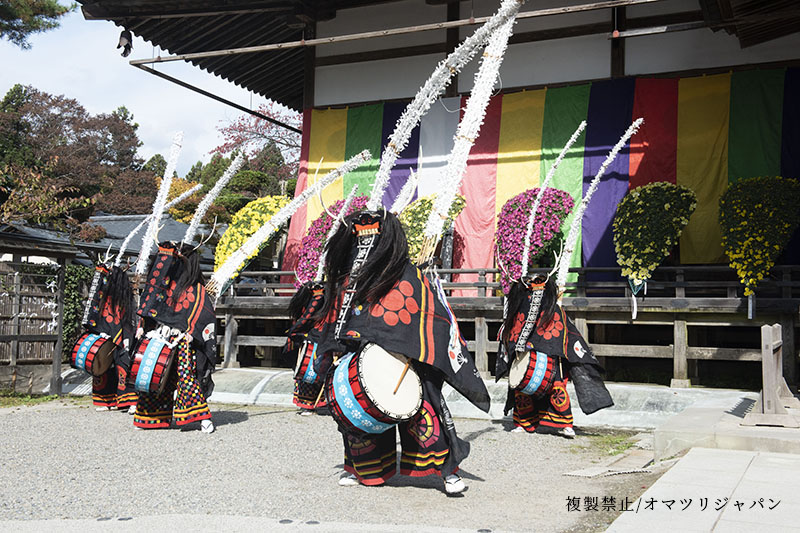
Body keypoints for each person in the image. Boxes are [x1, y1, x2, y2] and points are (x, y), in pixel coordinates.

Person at [305, 210, 490, 495]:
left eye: (372, 235)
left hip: (406, 357)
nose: (365, 243)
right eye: (359, 235)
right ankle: (360, 469)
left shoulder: (406, 273)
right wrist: (338, 347)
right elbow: (336, 317)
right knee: (357, 416)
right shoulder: (346, 277)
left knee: (425, 412)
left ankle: (447, 471)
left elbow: (433, 316)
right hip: (359, 355)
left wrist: (412, 346)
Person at [497, 275, 613, 437]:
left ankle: (566, 424)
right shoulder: (521, 307)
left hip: (551, 358)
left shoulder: (553, 309)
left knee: (557, 388)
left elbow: (562, 335)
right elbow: (513, 332)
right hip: (525, 354)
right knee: (522, 390)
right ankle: (523, 423)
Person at [132, 242, 217, 433]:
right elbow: (150, 307)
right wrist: (143, 326)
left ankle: (201, 417)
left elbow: (203, 314)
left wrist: (192, 332)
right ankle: (150, 417)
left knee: (187, 377)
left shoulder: (196, 288)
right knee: (156, 375)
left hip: (183, 339)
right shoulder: (164, 285)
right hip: (161, 335)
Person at [78, 263, 137, 413]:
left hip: (122, 335)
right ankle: (106, 400)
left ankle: (130, 401)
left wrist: (128, 337)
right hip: (104, 334)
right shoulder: (102, 296)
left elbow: (129, 319)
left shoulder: (126, 297)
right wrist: (98, 331)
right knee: (103, 368)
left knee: (124, 366)